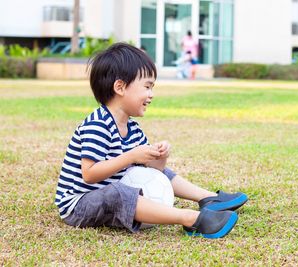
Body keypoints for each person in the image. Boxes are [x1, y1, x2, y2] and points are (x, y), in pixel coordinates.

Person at [54, 43, 248, 239]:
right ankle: (192, 219)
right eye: (147, 86)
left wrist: (160, 156)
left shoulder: (133, 129)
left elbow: (153, 173)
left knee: (144, 175)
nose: (151, 94)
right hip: (78, 205)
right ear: (120, 87)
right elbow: (89, 174)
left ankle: (209, 199)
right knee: (118, 193)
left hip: (109, 191)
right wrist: (130, 156)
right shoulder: (97, 125)